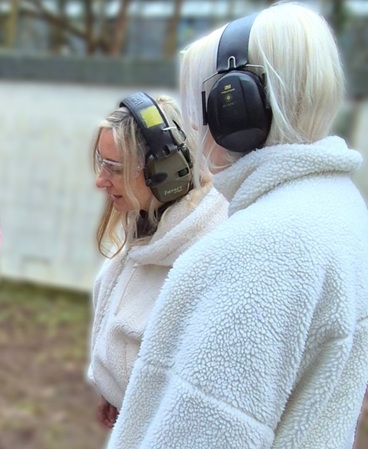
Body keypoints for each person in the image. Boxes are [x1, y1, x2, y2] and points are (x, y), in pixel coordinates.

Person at [106, 4, 368, 449]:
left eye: (201, 104)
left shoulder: (259, 251)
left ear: (239, 109)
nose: (192, 123)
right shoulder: (340, 208)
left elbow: (208, 433)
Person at [87, 92, 228, 430]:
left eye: (115, 168)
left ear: (164, 172)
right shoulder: (149, 225)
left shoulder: (206, 251)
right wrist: (114, 389)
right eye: (101, 162)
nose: (99, 180)